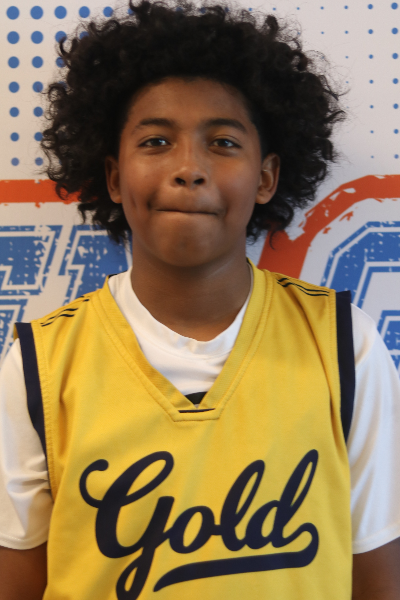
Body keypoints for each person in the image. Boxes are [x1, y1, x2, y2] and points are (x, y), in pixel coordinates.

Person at [0, 1, 400, 598]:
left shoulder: (345, 345)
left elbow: (376, 579)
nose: (188, 168)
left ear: (266, 177)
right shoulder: (40, 364)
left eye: (223, 142)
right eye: (156, 141)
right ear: (114, 177)